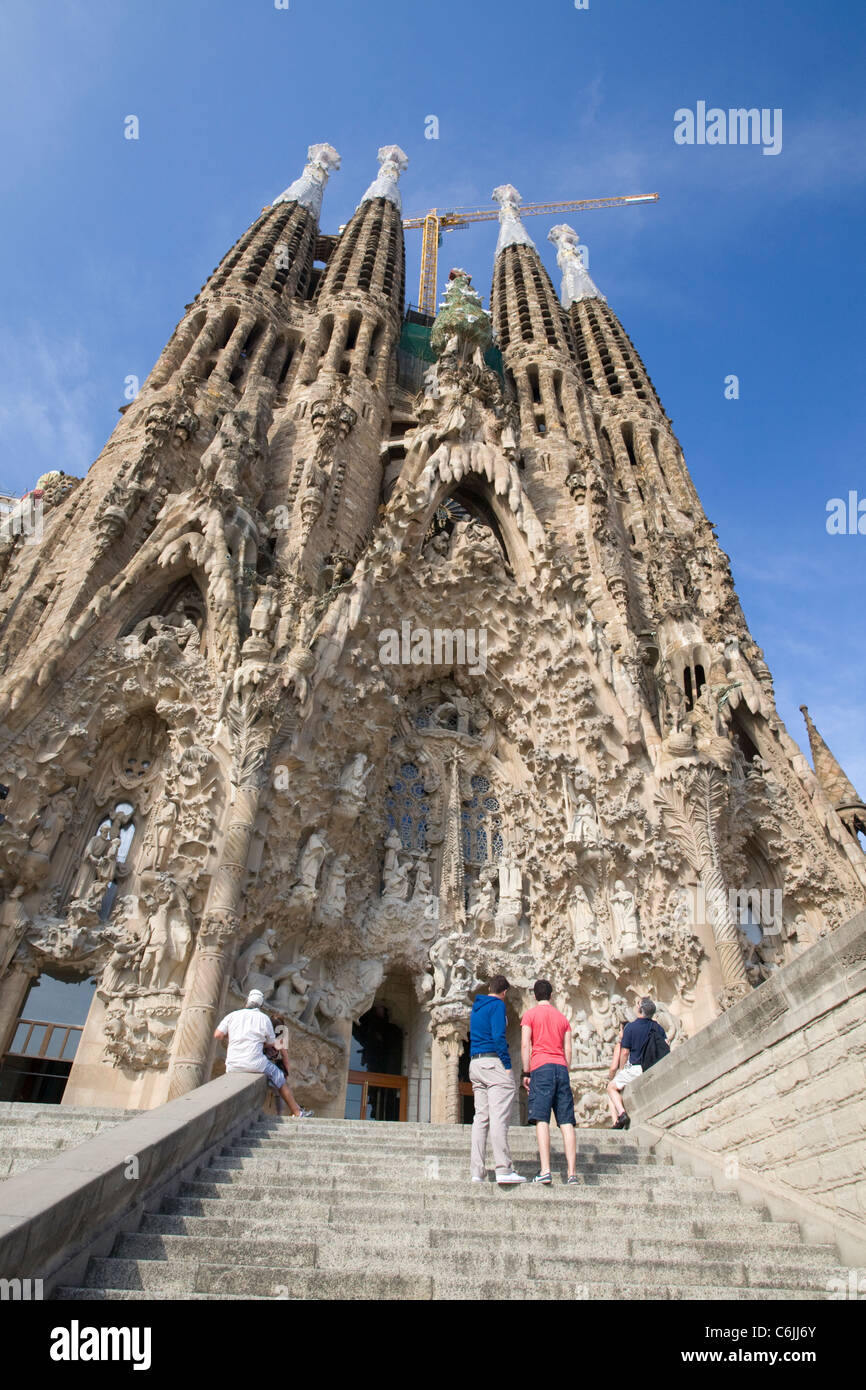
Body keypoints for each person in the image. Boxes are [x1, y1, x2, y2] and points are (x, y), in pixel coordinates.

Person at [214, 989, 313, 1118]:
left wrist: (233, 1037)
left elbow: (218, 1035)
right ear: (261, 1005)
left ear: (247, 1001)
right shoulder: (263, 1018)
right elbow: (271, 1042)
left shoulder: (232, 1015)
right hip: (255, 1063)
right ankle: (297, 1112)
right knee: (280, 1079)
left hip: (233, 1063)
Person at [468, 974, 527, 1185]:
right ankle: (503, 1168)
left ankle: (477, 1171)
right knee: (499, 1116)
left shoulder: (477, 1007)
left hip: (475, 1064)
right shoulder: (497, 1006)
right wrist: (508, 1066)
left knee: (480, 1118)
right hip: (492, 1062)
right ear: (504, 992)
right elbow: (498, 1037)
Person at [520, 980, 578, 1184]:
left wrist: (526, 1072)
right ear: (551, 996)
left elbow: (526, 1044)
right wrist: (564, 1067)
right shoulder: (563, 1019)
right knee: (566, 1122)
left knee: (542, 1119)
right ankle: (572, 1174)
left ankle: (545, 1170)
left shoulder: (530, 1015)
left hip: (541, 1067)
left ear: (535, 996)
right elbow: (568, 1049)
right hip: (561, 1067)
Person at [606, 996, 667, 1130]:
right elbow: (665, 1044)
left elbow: (625, 1052)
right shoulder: (657, 1027)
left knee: (611, 1087)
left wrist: (622, 1069)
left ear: (640, 1010)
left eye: (637, 1004)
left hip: (636, 1068)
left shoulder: (631, 1028)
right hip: (653, 1064)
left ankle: (622, 1114)